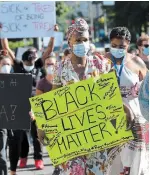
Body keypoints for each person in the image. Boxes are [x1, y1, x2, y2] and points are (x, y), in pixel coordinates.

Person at [35, 19, 139, 175]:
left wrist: (127, 110)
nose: (82, 43)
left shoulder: (101, 64)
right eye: (78, 40)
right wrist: (41, 126)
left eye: (85, 40)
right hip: (71, 136)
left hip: (97, 134)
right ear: (69, 41)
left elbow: (110, 94)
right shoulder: (60, 67)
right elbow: (52, 100)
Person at [104, 26, 148, 175]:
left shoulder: (137, 62)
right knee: (114, 165)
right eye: (114, 46)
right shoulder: (102, 62)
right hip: (110, 120)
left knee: (136, 163)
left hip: (136, 120)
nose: (117, 49)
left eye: (122, 46)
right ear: (110, 43)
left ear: (128, 44)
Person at [0, 51, 13, 175]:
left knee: (1, 153)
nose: (6, 67)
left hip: (4, 123)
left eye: (9, 64)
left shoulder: (16, 82)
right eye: (4, 64)